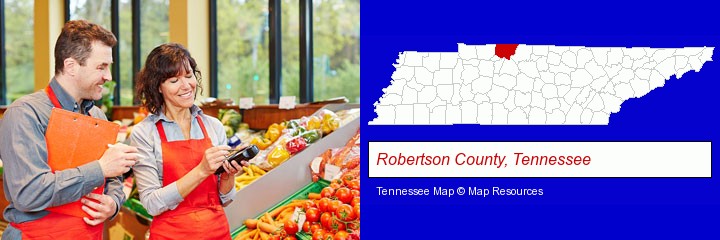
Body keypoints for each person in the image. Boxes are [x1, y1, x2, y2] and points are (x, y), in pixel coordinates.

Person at [0, 20, 139, 239]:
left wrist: (113, 203)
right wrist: (99, 169)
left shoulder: (98, 116)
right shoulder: (25, 113)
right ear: (71, 66)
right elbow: (29, 193)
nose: (109, 76)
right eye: (101, 67)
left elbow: (113, 179)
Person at [130, 43, 245, 239]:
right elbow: (151, 204)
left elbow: (225, 198)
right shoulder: (144, 133)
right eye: (174, 80)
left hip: (216, 231)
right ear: (158, 86)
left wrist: (228, 176)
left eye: (189, 75)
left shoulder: (213, 126)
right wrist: (201, 170)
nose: (186, 86)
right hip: (171, 234)